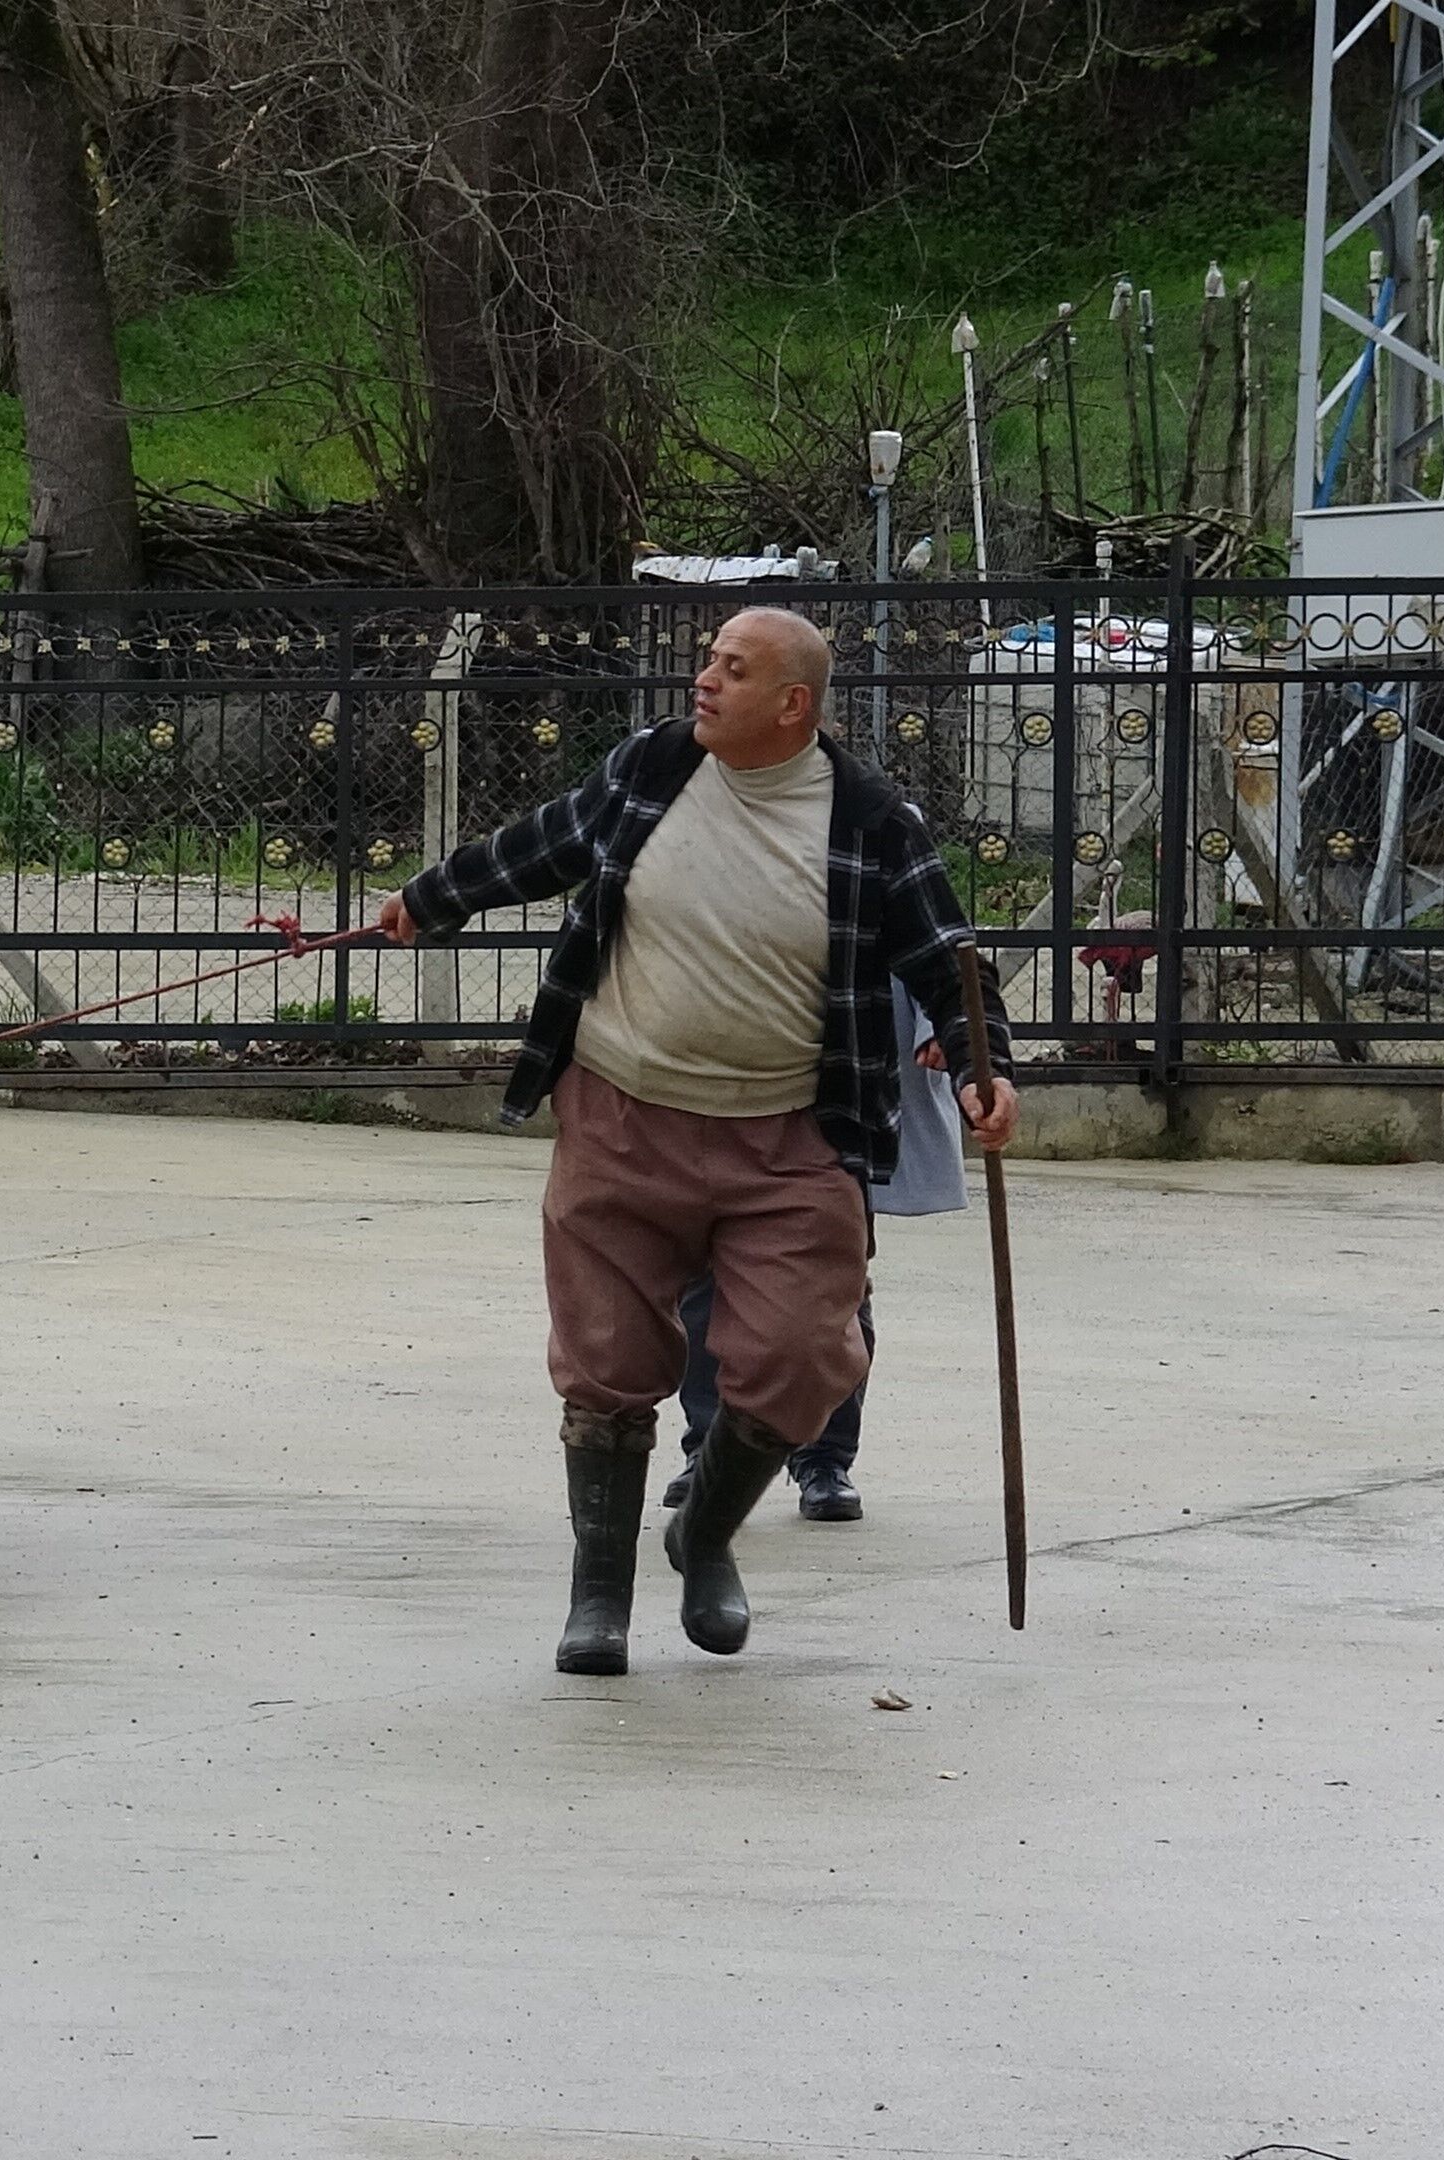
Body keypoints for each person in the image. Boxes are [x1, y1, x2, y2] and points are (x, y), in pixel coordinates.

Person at [376, 606, 1017, 1676]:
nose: (703, 681)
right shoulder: (653, 768)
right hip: (624, 1115)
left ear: (793, 704)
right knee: (607, 1363)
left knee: (803, 1353)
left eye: (732, 668)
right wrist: (426, 901)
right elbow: (545, 843)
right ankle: (600, 1597)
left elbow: (949, 953)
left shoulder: (867, 820)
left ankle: (706, 1532)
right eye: (708, 661)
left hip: (792, 1135)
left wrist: (981, 1061)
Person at [663, 983, 967, 1521]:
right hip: (728, 1075)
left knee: (836, 1279)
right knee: (709, 1272)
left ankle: (825, 1457)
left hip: (844, 1078)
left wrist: (947, 1024)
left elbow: (936, 941)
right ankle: (708, 1450)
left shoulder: (868, 895)